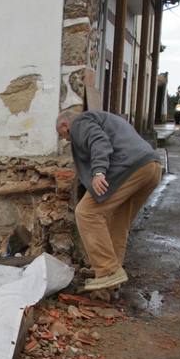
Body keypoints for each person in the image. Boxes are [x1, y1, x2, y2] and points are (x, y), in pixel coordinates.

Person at [55, 107, 163, 292]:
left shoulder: (80, 123)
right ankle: (113, 276)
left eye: (62, 134)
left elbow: (99, 142)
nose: (65, 139)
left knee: (86, 212)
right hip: (151, 168)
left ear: (65, 125)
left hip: (127, 168)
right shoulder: (103, 118)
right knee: (118, 222)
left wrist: (98, 172)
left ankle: (107, 270)